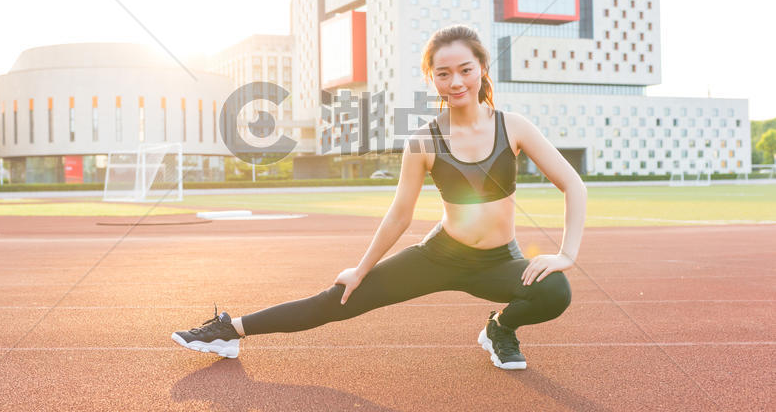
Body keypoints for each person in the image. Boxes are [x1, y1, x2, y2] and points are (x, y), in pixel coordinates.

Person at [171, 24, 586, 370]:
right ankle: (230, 329)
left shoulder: (513, 126)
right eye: (443, 74)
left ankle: (500, 328)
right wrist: (361, 268)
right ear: (432, 79)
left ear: (481, 69)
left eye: (464, 69)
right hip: (440, 256)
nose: (456, 81)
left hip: (499, 261)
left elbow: (573, 185)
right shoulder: (423, 140)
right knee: (339, 300)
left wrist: (565, 254)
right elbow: (399, 215)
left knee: (555, 290)